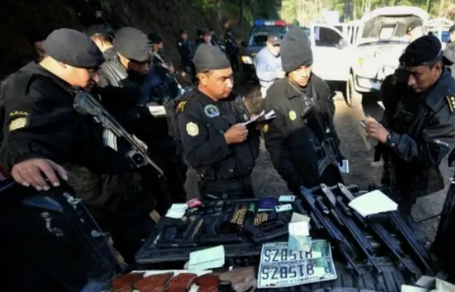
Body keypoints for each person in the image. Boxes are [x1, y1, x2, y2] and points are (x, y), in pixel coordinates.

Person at [0, 28, 155, 261]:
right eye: (90, 71)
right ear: (62, 63)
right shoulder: (31, 88)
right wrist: (26, 157)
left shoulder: (69, 83)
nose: (94, 79)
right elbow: (24, 131)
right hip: (91, 196)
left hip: (117, 186)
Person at [367, 34, 455, 215]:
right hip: (394, 165)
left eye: (417, 75)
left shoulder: (450, 103)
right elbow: (391, 102)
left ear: (437, 68)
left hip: (411, 175)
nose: (410, 82)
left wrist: (389, 138)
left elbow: (428, 155)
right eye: (408, 73)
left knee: (398, 218)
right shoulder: (409, 81)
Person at [97, 27, 184, 205]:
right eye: (139, 63)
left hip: (168, 139)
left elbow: (176, 94)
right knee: (161, 198)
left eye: (148, 62)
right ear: (121, 56)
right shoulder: (106, 76)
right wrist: (140, 113)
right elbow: (107, 119)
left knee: (180, 189)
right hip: (141, 149)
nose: (145, 67)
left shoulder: (156, 68)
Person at [263, 26, 345, 194]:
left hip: (329, 167)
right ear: (287, 67)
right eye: (297, 68)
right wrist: (292, 179)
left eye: (307, 66)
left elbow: (329, 120)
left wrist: (336, 149)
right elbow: (275, 145)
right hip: (302, 176)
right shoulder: (275, 95)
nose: (304, 73)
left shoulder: (320, 85)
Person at [177, 44, 260, 199]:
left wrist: (253, 126)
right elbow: (194, 157)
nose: (230, 84)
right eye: (223, 79)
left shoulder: (232, 98)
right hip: (219, 190)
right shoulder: (191, 109)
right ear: (203, 78)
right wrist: (226, 139)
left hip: (245, 181)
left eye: (231, 77)